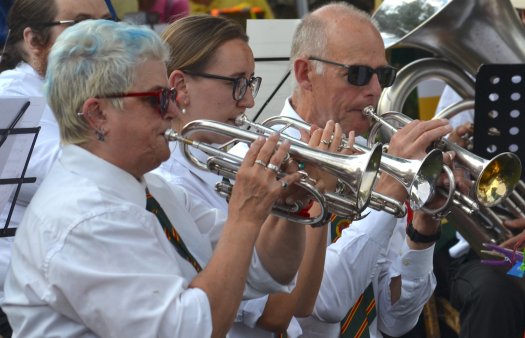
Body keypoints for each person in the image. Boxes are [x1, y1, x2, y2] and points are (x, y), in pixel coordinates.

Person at [2, 18, 308, 337]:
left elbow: (263, 269)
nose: (173, 111)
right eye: (158, 98)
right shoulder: (88, 217)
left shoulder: (153, 190)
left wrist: (290, 209)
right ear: (97, 115)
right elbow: (189, 330)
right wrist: (245, 217)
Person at [158, 15, 343, 337]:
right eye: (236, 83)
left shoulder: (228, 161)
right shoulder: (173, 184)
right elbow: (276, 314)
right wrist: (313, 194)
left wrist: (308, 201)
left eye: (251, 82)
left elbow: (304, 302)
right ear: (181, 87)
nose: (249, 101)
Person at [282, 3, 457, 337]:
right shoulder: (261, 159)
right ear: (305, 74)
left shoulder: (370, 156)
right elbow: (324, 302)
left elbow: (396, 319)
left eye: (383, 75)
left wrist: (424, 226)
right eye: (358, 74)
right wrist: (388, 192)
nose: (376, 90)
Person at [0, 0, 112, 336]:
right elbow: (72, 175)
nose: (101, 40)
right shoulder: (10, 96)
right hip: (18, 303)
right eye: (80, 25)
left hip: (72, 288)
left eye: (107, 26)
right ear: (34, 40)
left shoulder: (84, 95)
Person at [435, 74, 525, 338]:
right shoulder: (470, 75)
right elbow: (438, 153)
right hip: (500, 253)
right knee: (493, 292)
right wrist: (452, 156)